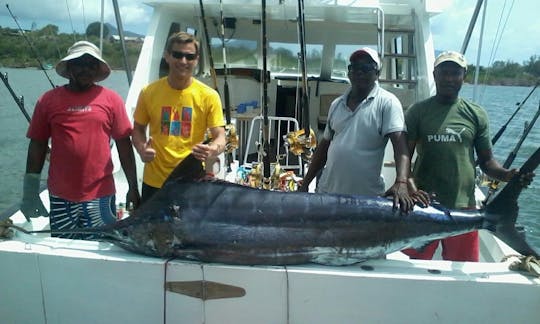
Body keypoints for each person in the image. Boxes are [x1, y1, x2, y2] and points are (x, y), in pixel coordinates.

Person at [402, 50, 534, 261]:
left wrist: (509, 175)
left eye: (455, 73)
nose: (449, 78)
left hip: (464, 207)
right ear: (435, 75)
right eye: (444, 72)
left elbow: (487, 163)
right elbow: (404, 158)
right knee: (410, 266)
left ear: (464, 75)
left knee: (464, 269)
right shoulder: (418, 112)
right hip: (423, 206)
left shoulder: (476, 113)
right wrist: (411, 189)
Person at [21, 40, 140, 239]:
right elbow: (37, 145)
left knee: (100, 250)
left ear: (98, 69)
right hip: (60, 195)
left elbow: (124, 146)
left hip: (101, 195)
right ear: (69, 67)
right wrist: (30, 191)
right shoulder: (47, 100)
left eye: (92, 64)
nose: (86, 69)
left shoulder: (112, 100)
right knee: (63, 250)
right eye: (80, 63)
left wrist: (133, 188)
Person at [299, 47, 425, 212]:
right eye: (355, 68)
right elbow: (325, 147)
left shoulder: (387, 102)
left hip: (366, 199)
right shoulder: (336, 104)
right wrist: (306, 182)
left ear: (377, 74)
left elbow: (400, 146)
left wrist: (401, 182)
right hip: (327, 193)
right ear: (349, 73)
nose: (360, 72)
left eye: (366, 68)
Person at [132, 31, 226, 203]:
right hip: (154, 182)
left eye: (189, 57)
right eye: (177, 55)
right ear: (167, 56)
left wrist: (213, 149)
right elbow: (137, 129)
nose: (183, 61)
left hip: (191, 181)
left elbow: (220, 135)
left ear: (196, 60)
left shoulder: (209, 96)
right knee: (153, 230)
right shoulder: (149, 92)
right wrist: (141, 149)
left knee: (187, 231)